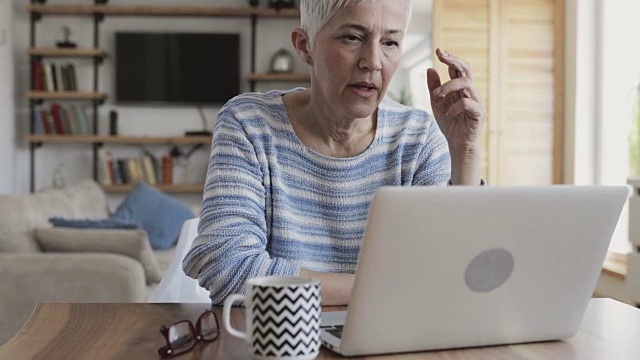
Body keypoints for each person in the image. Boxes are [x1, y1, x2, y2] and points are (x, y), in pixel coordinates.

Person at [183, 0, 486, 306]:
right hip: (279, 344)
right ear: (305, 46)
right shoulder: (249, 123)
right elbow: (228, 269)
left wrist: (466, 152)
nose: (373, 62)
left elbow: (454, 272)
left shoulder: (417, 137)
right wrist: (384, 288)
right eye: (352, 38)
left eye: (390, 42)